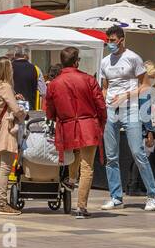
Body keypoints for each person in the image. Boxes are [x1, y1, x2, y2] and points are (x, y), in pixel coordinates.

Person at [98, 26, 155, 211]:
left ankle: (152, 195)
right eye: (108, 40)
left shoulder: (134, 58)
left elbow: (146, 86)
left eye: (113, 40)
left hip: (130, 109)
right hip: (110, 110)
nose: (110, 43)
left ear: (122, 40)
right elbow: (105, 86)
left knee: (138, 153)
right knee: (111, 156)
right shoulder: (105, 62)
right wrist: (105, 100)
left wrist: (126, 96)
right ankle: (116, 196)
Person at [44, 46, 108, 219]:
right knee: (87, 166)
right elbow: (100, 104)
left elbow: (49, 109)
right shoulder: (88, 80)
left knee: (75, 155)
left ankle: (71, 180)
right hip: (88, 125)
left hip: (68, 126)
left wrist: (54, 117)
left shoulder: (54, 83)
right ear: (76, 61)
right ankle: (81, 206)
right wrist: (102, 120)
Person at [0, 57, 27, 215]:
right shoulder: (6, 86)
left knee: (3, 166)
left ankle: (2, 202)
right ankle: (2, 203)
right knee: (5, 168)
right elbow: (16, 110)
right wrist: (23, 114)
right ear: (6, 69)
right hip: (6, 130)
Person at [11, 47, 42, 111]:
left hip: (13, 107)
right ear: (25, 55)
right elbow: (42, 90)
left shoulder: (9, 67)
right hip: (30, 106)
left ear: (15, 55)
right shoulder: (35, 68)